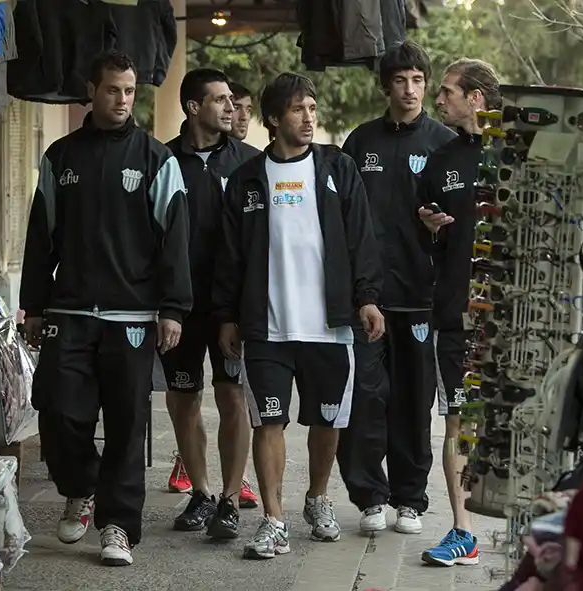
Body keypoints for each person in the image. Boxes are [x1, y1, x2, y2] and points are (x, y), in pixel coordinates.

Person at [20, 51, 192, 567]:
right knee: (57, 412)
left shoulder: (157, 159)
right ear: (91, 92)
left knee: (125, 424)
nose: (122, 100)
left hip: (132, 318)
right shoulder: (60, 157)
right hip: (69, 313)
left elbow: (175, 241)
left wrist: (172, 309)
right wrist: (33, 306)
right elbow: (39, 238)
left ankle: (118, 526)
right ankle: (81, 486)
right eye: (113, 90)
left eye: (130, 91)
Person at [214, 72, 385, 560]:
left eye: (312, 108)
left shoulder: (338, 167)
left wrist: (367, 298)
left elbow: (362, 240)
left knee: (325, 423)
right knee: (269, 421)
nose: (308, 118)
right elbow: (229, 255)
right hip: (266, 327)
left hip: (329, 326)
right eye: (296, 110)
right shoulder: (247, 177)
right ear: (272, 119)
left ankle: (317, 498)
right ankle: (273, 520)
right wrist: (227, 315)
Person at [336, 41, 456, 536]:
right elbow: (339, 220)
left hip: (422, 297)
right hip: (367, 299)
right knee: (364, 397)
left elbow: (465, 225)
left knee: (412, 400)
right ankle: (368, 496)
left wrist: (439, 228)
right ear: (385, 85)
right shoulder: (358, 143)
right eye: (400, 80)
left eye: (418, 80)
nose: (409, 90)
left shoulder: (445, 144)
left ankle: (410, 499)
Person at [162, 68, 261, 538]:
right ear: (192, 107)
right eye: (220, 100)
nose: (231, 109)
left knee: (232, 396)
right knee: (183, 397)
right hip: (179, 308)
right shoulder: (162, 162)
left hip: (230, 310)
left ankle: (228, 498)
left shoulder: (248, 163)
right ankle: (200, 493)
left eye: (231, 100)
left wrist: (243, 309)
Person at [417, 58, 503, 567]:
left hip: (517, 317)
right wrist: (430, 227)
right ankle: (462, 531)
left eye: (447, 91)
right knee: (457, 423)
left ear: (476, 97)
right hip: (457, 313)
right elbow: (432, 238)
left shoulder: (524, 152)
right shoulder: (441, 159)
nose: (438, 99)